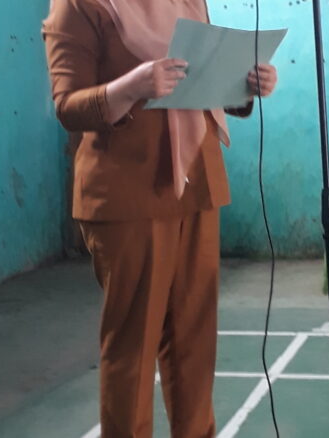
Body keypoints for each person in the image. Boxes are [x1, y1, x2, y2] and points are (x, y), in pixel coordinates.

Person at [42, 0, 278, 436]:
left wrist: (245, 85)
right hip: (128, 192)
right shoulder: (78, 6)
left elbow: (204, 81)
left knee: (194, 341)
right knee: (133, 345)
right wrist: (130, 87)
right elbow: (67, 106)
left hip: (197, 184)